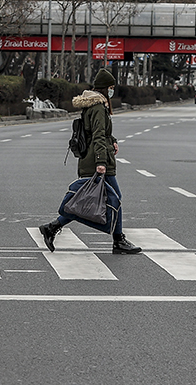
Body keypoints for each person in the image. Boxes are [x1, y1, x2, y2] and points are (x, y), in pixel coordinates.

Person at [39, 69, 142, 255]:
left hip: (92, 159)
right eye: (110, 88)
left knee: (87, 200)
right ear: (104, 88)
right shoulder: (98, 107)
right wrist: (101, 162)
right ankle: (118, 241)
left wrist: (113, 141)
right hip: (98, 161)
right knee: (111, 199)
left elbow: (101, 133)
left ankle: (52, 227)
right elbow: (98, 135)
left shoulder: (94, 105)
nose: (112, 91)